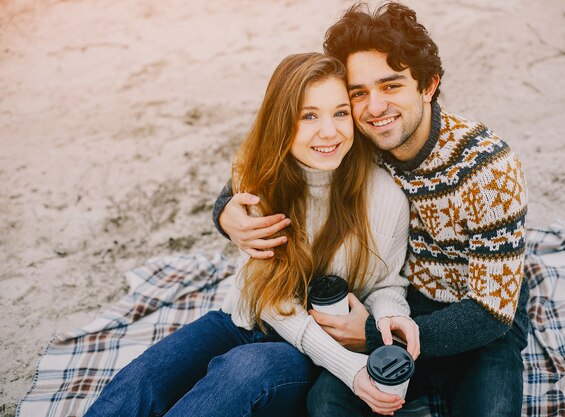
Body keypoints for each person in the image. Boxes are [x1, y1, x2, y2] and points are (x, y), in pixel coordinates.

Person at [213, 2, 529, 417]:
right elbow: (271, 163)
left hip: (473, 322)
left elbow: (492, 314)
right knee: (325, 404)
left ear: (428, 85)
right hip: (394, 302)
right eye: (359, 93)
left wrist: (372, 338)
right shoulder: (353, 138)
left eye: (391, 86)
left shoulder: (488, 169)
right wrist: (225, 212)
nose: (374, 108)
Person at [84, 52, 419, 417]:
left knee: (242, 371)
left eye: (340, 113)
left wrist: (383, 327)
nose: (329, 131)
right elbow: (269, 297)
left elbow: (388, 284)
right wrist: (350, 368)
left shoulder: (385, 196)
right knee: (142, 378)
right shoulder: (259, 180)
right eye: (308, 115)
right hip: (244, 318)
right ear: (282, 122)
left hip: (314, 352)